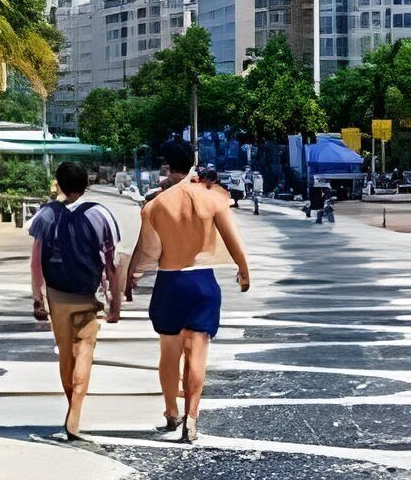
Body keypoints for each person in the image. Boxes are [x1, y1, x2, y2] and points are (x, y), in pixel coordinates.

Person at [126, 139, 251, 445]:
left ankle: (171, 413)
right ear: (193, 161)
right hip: (202, 284)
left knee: (169, 353)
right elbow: (231, 236)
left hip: (170, 283)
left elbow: (148, 250)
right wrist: (243, 270)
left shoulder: (155, 205)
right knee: (197, 353)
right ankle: (191, 419)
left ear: (167, 166)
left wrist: (132, 274)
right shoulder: (210, 197)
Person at [27, 161, 123, 443]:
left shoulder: (45, 215)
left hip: (57, 295)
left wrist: (37, 299)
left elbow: (36, 262)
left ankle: (71, 406)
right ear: (87, 184)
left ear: (58, 183)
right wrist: (114, 300)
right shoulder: (100, 214)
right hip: (86, 296)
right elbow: (111, 262)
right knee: (84, 352)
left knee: (66, 354)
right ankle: (75, 412)